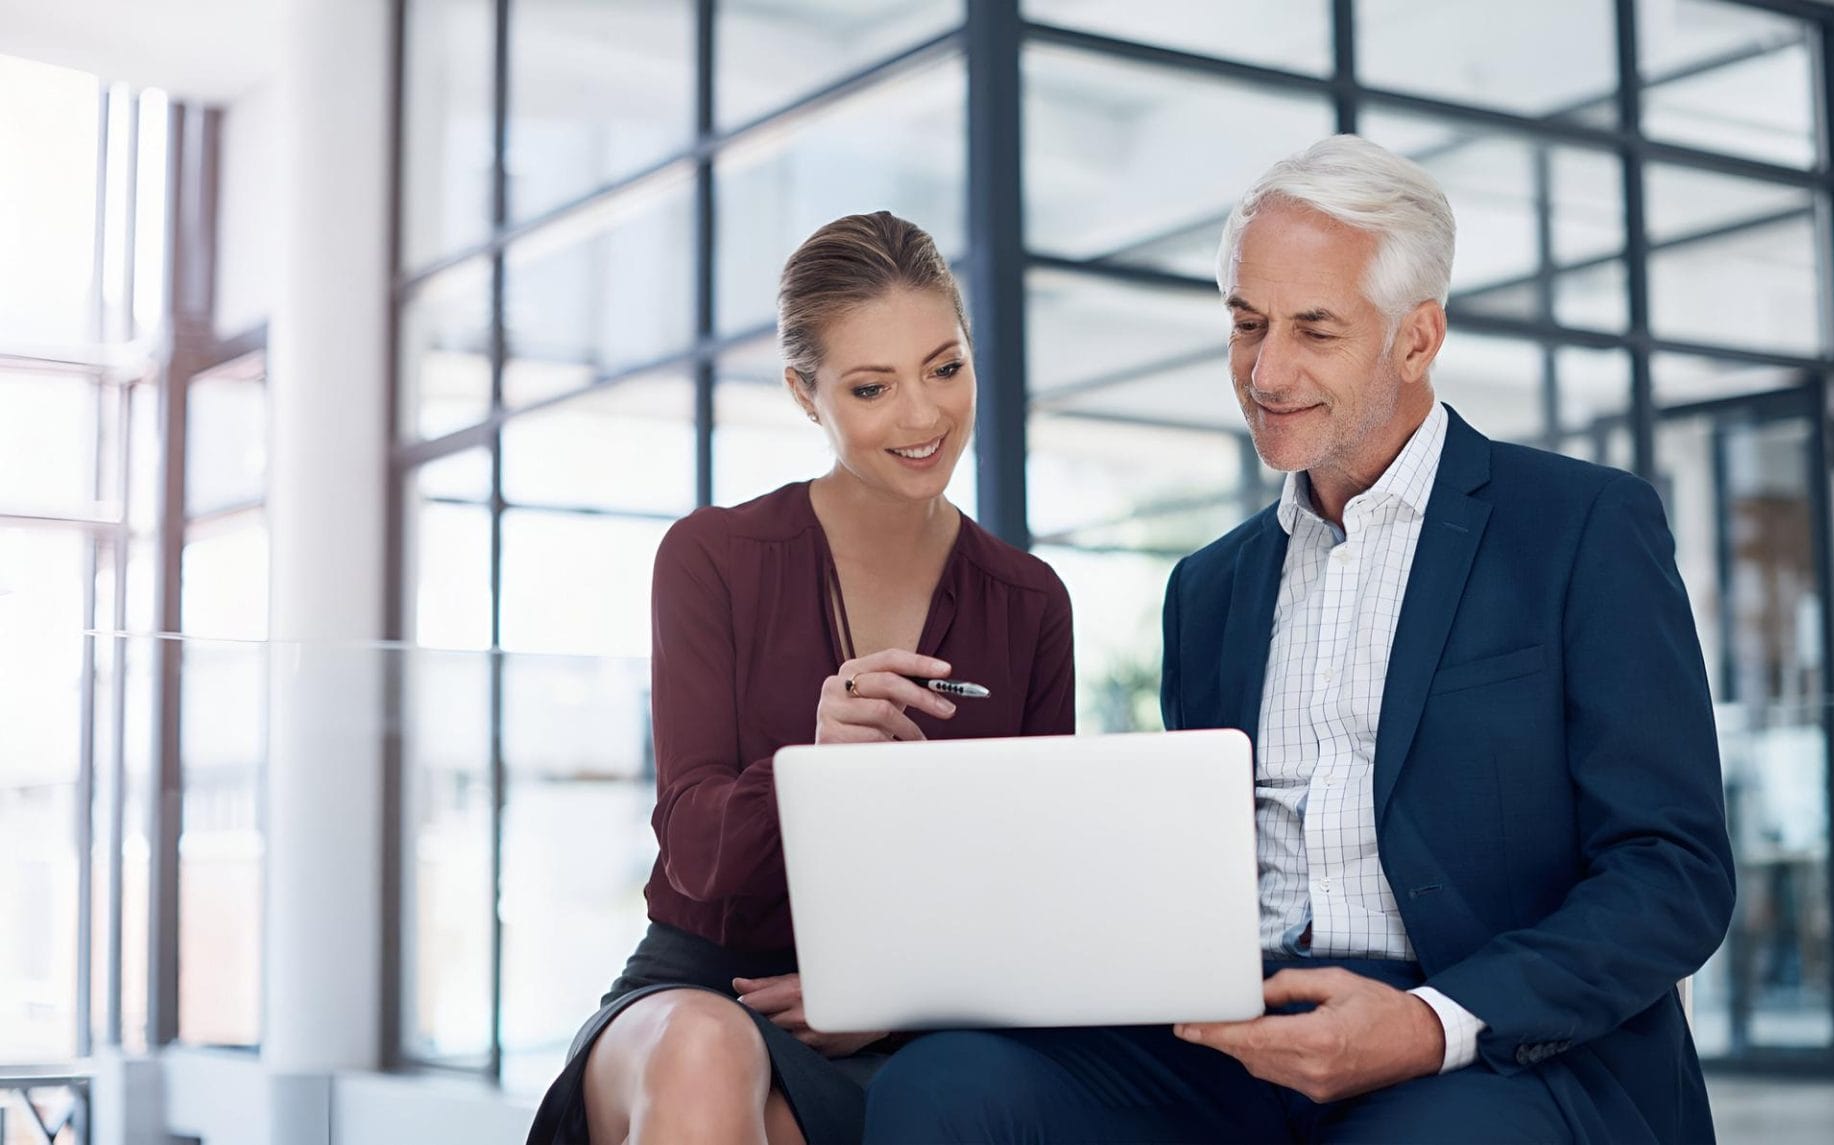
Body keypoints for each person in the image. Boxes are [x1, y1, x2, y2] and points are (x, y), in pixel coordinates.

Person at [863, 136, 1735, 1143]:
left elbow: (1672, 870)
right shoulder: (1208, 587)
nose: (1267, 371)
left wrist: (1424, 1023)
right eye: (1247, 325)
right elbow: (1194, 870)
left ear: (1416, 339)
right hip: (1241, 1027)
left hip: (1481, 1032)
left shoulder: (1581, 526)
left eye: (1314, 330)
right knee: (943, 1087)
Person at [525, 211, 1076, 1145]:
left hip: (918, 1021)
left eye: (946, 367)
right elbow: (693, 853)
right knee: (704, 1056)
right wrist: (807, 765)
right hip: (704, 988)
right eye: (872, 387)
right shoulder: (714, 558)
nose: (923, 416)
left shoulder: (1029, 601)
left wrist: (894, 999)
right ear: (803, 393)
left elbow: (1031, 888)